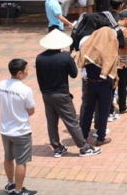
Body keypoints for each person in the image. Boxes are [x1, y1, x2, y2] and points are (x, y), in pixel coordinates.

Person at [35, 29, 101, 158]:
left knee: (52, 121)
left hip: (47, 94)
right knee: (72, 122)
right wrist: (71, 59)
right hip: (61, 94)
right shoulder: (65, 57)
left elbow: (39, 78)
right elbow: (74, 74)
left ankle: (57, 147)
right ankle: (84, 148)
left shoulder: (40, 58)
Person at [0, 58, 38, 195]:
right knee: (21, 161)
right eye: (26, 70)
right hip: (21, 130)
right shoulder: (25, 90)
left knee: (8, 157)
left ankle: (10, 184)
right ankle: (18, 192)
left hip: (5, 128)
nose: (28, 72)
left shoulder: (1, 84)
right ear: (20, 73)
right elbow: (31, 110)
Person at [77, 17, 120, 147]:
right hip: (105, 83)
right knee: (103, 110)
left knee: (88, 110)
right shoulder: (109, 52)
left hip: (90, 82)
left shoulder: (90, 49)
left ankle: (83, 135)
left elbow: (82, 59)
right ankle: (101, 137)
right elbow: (112, 60)